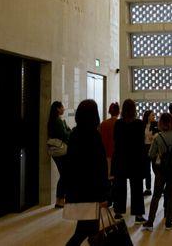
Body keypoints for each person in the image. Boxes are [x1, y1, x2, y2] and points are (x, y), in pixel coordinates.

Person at [63, 99, 109, 246]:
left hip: (78, 189)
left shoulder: (74, 134)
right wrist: (104, 193)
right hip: (92, 191)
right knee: (86, 231)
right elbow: (99, 167)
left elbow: (69, 164)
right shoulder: (94, 136)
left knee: (88, 230)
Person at [143, 113, 172, 232]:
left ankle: (150, 222)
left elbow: (151, 154)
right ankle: (168, 223)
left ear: (161, 123)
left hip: (160, 170)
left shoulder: (158, 137)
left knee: (156, 195)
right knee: (171, 195)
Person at [112, 99, 146, 224]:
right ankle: (138, 215)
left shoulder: (118, 124)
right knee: (137, 187)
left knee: (119, 186)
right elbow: (141, 143)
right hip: (135, 159)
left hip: (121, 158)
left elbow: (115, 141)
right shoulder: (139, 123)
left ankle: (118, 212)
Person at [47, 101, 71, 208]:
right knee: (65, 175)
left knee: (64, 175)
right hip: (60, 151)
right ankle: (60, 200)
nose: (64, 109)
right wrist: (67, 128)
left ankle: (60, 199)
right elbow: (64, 135)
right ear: (58, 109)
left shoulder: (53, 120)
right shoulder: (57, 121)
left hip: (55, 151)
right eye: (62, 107)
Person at [100, 102, 119, 205]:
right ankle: (116, 199)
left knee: (107, 178)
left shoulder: (103, 124)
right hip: (117, 154)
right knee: (117, 178)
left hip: (105, 154)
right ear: (118, 111)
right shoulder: (120, 123)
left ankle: (108, 199)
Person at [142, 110, 158, 196]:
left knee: (156, 168)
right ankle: (148, 189)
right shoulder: (142, 125)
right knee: (147, 169)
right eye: (152, 115)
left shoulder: (156, 124)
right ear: (148, 116)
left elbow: (159, 134)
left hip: (153, 148)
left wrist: (153, 137)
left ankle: (159, 188)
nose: (154, 116)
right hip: (145, 148)